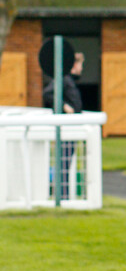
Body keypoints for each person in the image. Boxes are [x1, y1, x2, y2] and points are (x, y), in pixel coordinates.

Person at [43, 52, 85, 199]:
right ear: (74, 64)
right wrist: (64, 106)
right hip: (65, 129)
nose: (82, 68)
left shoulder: (70, 81)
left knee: (67, 164)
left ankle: (64, 195)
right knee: (63, 164)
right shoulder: (64, 79)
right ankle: (62, 196)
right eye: (80, 64)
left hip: (72, 129)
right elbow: (48, 94)